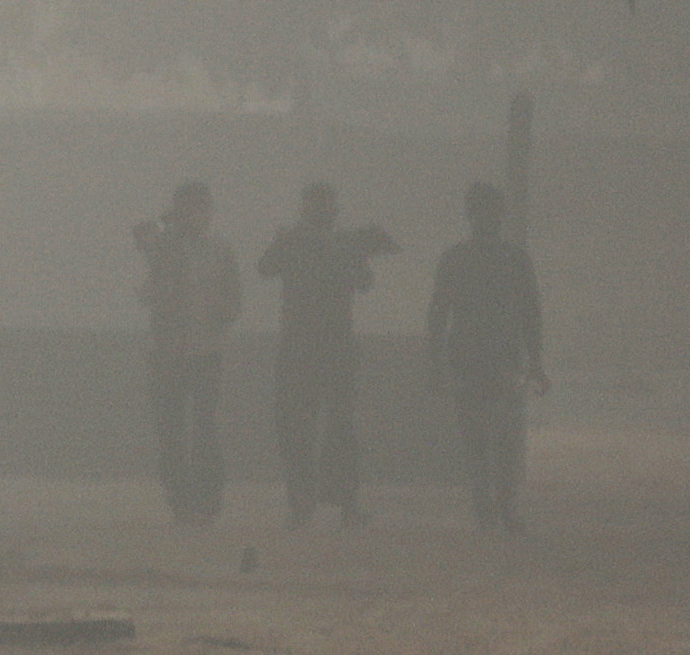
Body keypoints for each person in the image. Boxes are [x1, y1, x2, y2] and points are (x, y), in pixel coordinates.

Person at [256, 183, 395, 528]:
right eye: (317, 204)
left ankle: (331, 504)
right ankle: (314, 505)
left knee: (332, 428)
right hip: (315, 347)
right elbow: (266, 266)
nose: (322, 211)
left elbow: (364, 280)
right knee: (310, 428)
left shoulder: (337, 242)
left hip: (322, 347)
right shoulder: (311, 241)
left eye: (325, 204)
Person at [426, 182, 546, 533]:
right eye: (484, 213)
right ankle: (493, 510)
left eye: (491, 213)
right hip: (483, 361)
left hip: (489, 361)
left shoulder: (465, 258)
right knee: (485, 440)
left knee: (495, 440)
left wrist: (535, 361)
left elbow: (529, 313)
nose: (488, 220)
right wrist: (535, 361)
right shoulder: (509, 259)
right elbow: (438, 313)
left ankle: (496, 511)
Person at [134, 183, 242, 525]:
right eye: (187, 209)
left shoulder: (221, 250)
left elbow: (234, 297)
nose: (196, 216)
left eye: (200, 208)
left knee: (205, 428)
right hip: (168, 352)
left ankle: (207, 501)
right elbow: (145, 281)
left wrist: (223, 313)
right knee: (172, 430)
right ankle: (180, 501)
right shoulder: (163, 248)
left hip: (206, 350)